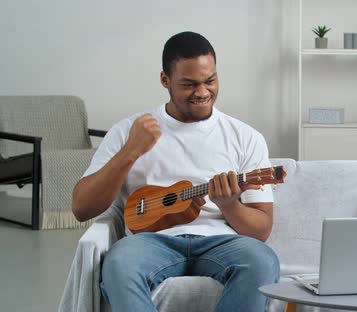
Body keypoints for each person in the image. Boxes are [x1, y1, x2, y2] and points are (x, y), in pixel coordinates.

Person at [71, 31, 279, 312]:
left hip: (222, 241)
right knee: (119, 263)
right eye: (189, 84)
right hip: (150, 242)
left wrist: (230, 206)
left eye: (210, 81)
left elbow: (262, 229)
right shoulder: (130, 130)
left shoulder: (245, 137)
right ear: (165, 80)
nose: (203, 92)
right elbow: (82, 208)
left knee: (263, 261)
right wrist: (131, 151)